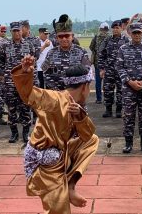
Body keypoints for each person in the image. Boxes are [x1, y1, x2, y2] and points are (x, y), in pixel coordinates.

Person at [12, 57, 99, 214]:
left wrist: (81, 117)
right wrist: (25, 74)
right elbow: (28, 94)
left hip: (59, 155)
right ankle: (64, 189)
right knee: (59, 210)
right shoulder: (54, 99)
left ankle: (71, 186)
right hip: (44, 164)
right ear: (85, 86)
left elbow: (87, 136)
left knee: (92, 140)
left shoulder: (77, 106)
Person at [116, 23, 142, 154]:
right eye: (134, 33)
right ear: (130, 33)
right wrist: (130, 81)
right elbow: (119, 67)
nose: (137, 35)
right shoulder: (123, 48)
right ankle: (128, 143)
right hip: (129, 88)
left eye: (139, 32)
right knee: (128, 116)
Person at [0, 21, 36, 143]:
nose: (17, 33)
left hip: (24, 80)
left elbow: (34, 59)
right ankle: (14, 133)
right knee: (12, 108)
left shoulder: (29, 45)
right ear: (11, 32)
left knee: (25, 107)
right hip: (10, 81)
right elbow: (1, 61)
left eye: (18, 30)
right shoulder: (5, 46)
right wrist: (3, 74)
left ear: (22, 30)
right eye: (14, 31)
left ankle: (25, 133)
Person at [42, 14, 91, 91]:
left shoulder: (81, 52)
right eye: (61, 36)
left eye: (67, 36)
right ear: (57, 38)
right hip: (56, 96)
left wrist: (72, 90)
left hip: (75, 96)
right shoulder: (51, 53)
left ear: (72, 36)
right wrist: (58, 92)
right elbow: (46, 73)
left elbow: (87, 72)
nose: (64, 39)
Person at [98, 20, 130, 118]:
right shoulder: (107, 40)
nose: (115, 30)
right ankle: (108, 110)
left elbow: (130, 55)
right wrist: (102, 69)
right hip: (109, 70)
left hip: (121, 71)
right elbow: (101, 54)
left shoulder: (126, 40)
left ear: (121, 28)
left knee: (121, 90)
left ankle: (119, 110)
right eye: (114, 28)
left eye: (117, 28)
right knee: (108, 90)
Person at [89, 22, 110, 104]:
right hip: (108, 63)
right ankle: (107, 98)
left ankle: (99, 99)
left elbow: (91, 47)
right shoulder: (110, 37)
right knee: (108, 82)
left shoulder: (96, 37)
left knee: (98, 82)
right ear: (108, 29)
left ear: (100, 29)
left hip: (98, 63)